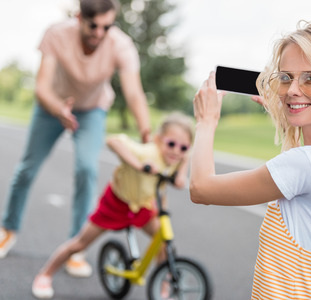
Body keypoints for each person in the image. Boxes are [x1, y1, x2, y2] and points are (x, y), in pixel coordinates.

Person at [190, 20, 311, 299]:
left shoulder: (306, 165)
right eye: (285, 77)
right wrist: (293, 107)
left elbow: (201, 189)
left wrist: (206, 121)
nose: (292, 89)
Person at [0, 0, 151, 276]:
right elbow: (42, 86)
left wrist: (146, 133)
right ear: (79, 16)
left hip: (92, 110)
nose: (99, 33)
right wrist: (59, 109)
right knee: (27, 169)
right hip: (52, 106)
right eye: (93, 25)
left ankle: (76, 247)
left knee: (86, 169)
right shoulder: (56, 33)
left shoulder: (121, 45)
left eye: (107, 26)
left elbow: (134, 94)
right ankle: (7, 228)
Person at [31, 112, 194, 299]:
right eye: (171, 144)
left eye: (183, 148)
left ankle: (163, 285)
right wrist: (138, 165)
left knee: (165, 243)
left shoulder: (178, 159)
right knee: (80, 244)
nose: (176, 151)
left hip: (142, 206)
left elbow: (180, 181)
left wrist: (183, 168)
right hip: (116, 205)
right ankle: (45, 274)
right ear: (158, 140)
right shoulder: (146, 152)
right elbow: (113, 141)